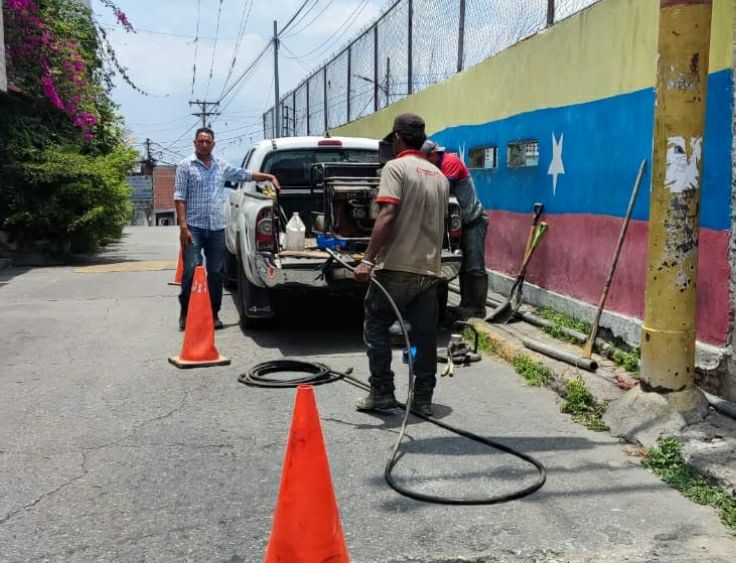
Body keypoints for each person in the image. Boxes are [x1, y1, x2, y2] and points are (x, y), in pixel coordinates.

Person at [354, 113, 449, 417]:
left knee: (376, 323)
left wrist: (368, 259)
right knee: (424, 335)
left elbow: (387, 215)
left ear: (397, 137)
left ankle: (382, 392)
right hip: (431, 269)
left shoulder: (395, 168)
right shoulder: (438, 175)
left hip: (397, 267)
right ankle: (422, 399)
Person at [174, 127, 280, 330]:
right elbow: (179, 196)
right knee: (191, 270)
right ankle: (185, 312)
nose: (204, 144)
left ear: (213, 144)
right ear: (195, 143)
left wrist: (268, 176)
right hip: (193, 228)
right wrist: (183, 225)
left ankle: (214, 314)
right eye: (201, 141)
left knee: (215, 273)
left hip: (217, 228)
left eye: (208, 141)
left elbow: (244, 174)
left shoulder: (221, 165)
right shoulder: (185, 166)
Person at [422, 140, 488, 319]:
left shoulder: (450, 162)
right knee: (463, 266)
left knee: (474, 266)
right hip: (459, 224)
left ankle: (477, 308)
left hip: (473, 220)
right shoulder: (436, 166)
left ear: (433, 154)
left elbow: (442, 190)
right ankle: (466, 305)